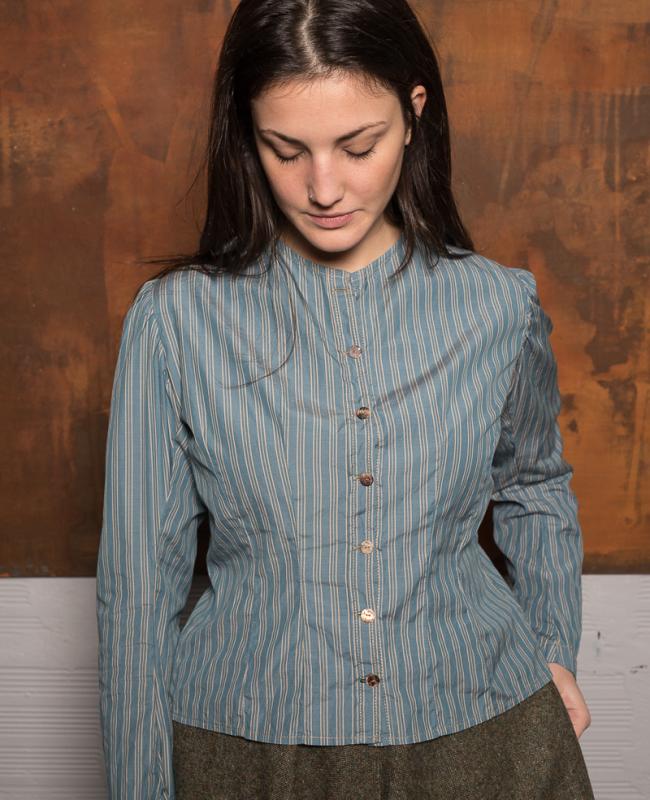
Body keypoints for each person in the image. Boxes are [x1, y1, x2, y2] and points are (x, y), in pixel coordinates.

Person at [96, 1, 596, 798]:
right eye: (285, 149)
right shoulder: (176, 321)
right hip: (245, 753)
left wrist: (553, 646)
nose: (323, 188)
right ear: (247, 134)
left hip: (490, 740)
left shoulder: (498, 306)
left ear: (414, 114)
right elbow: (137, 591)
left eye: (357, 146)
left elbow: (535, 485)